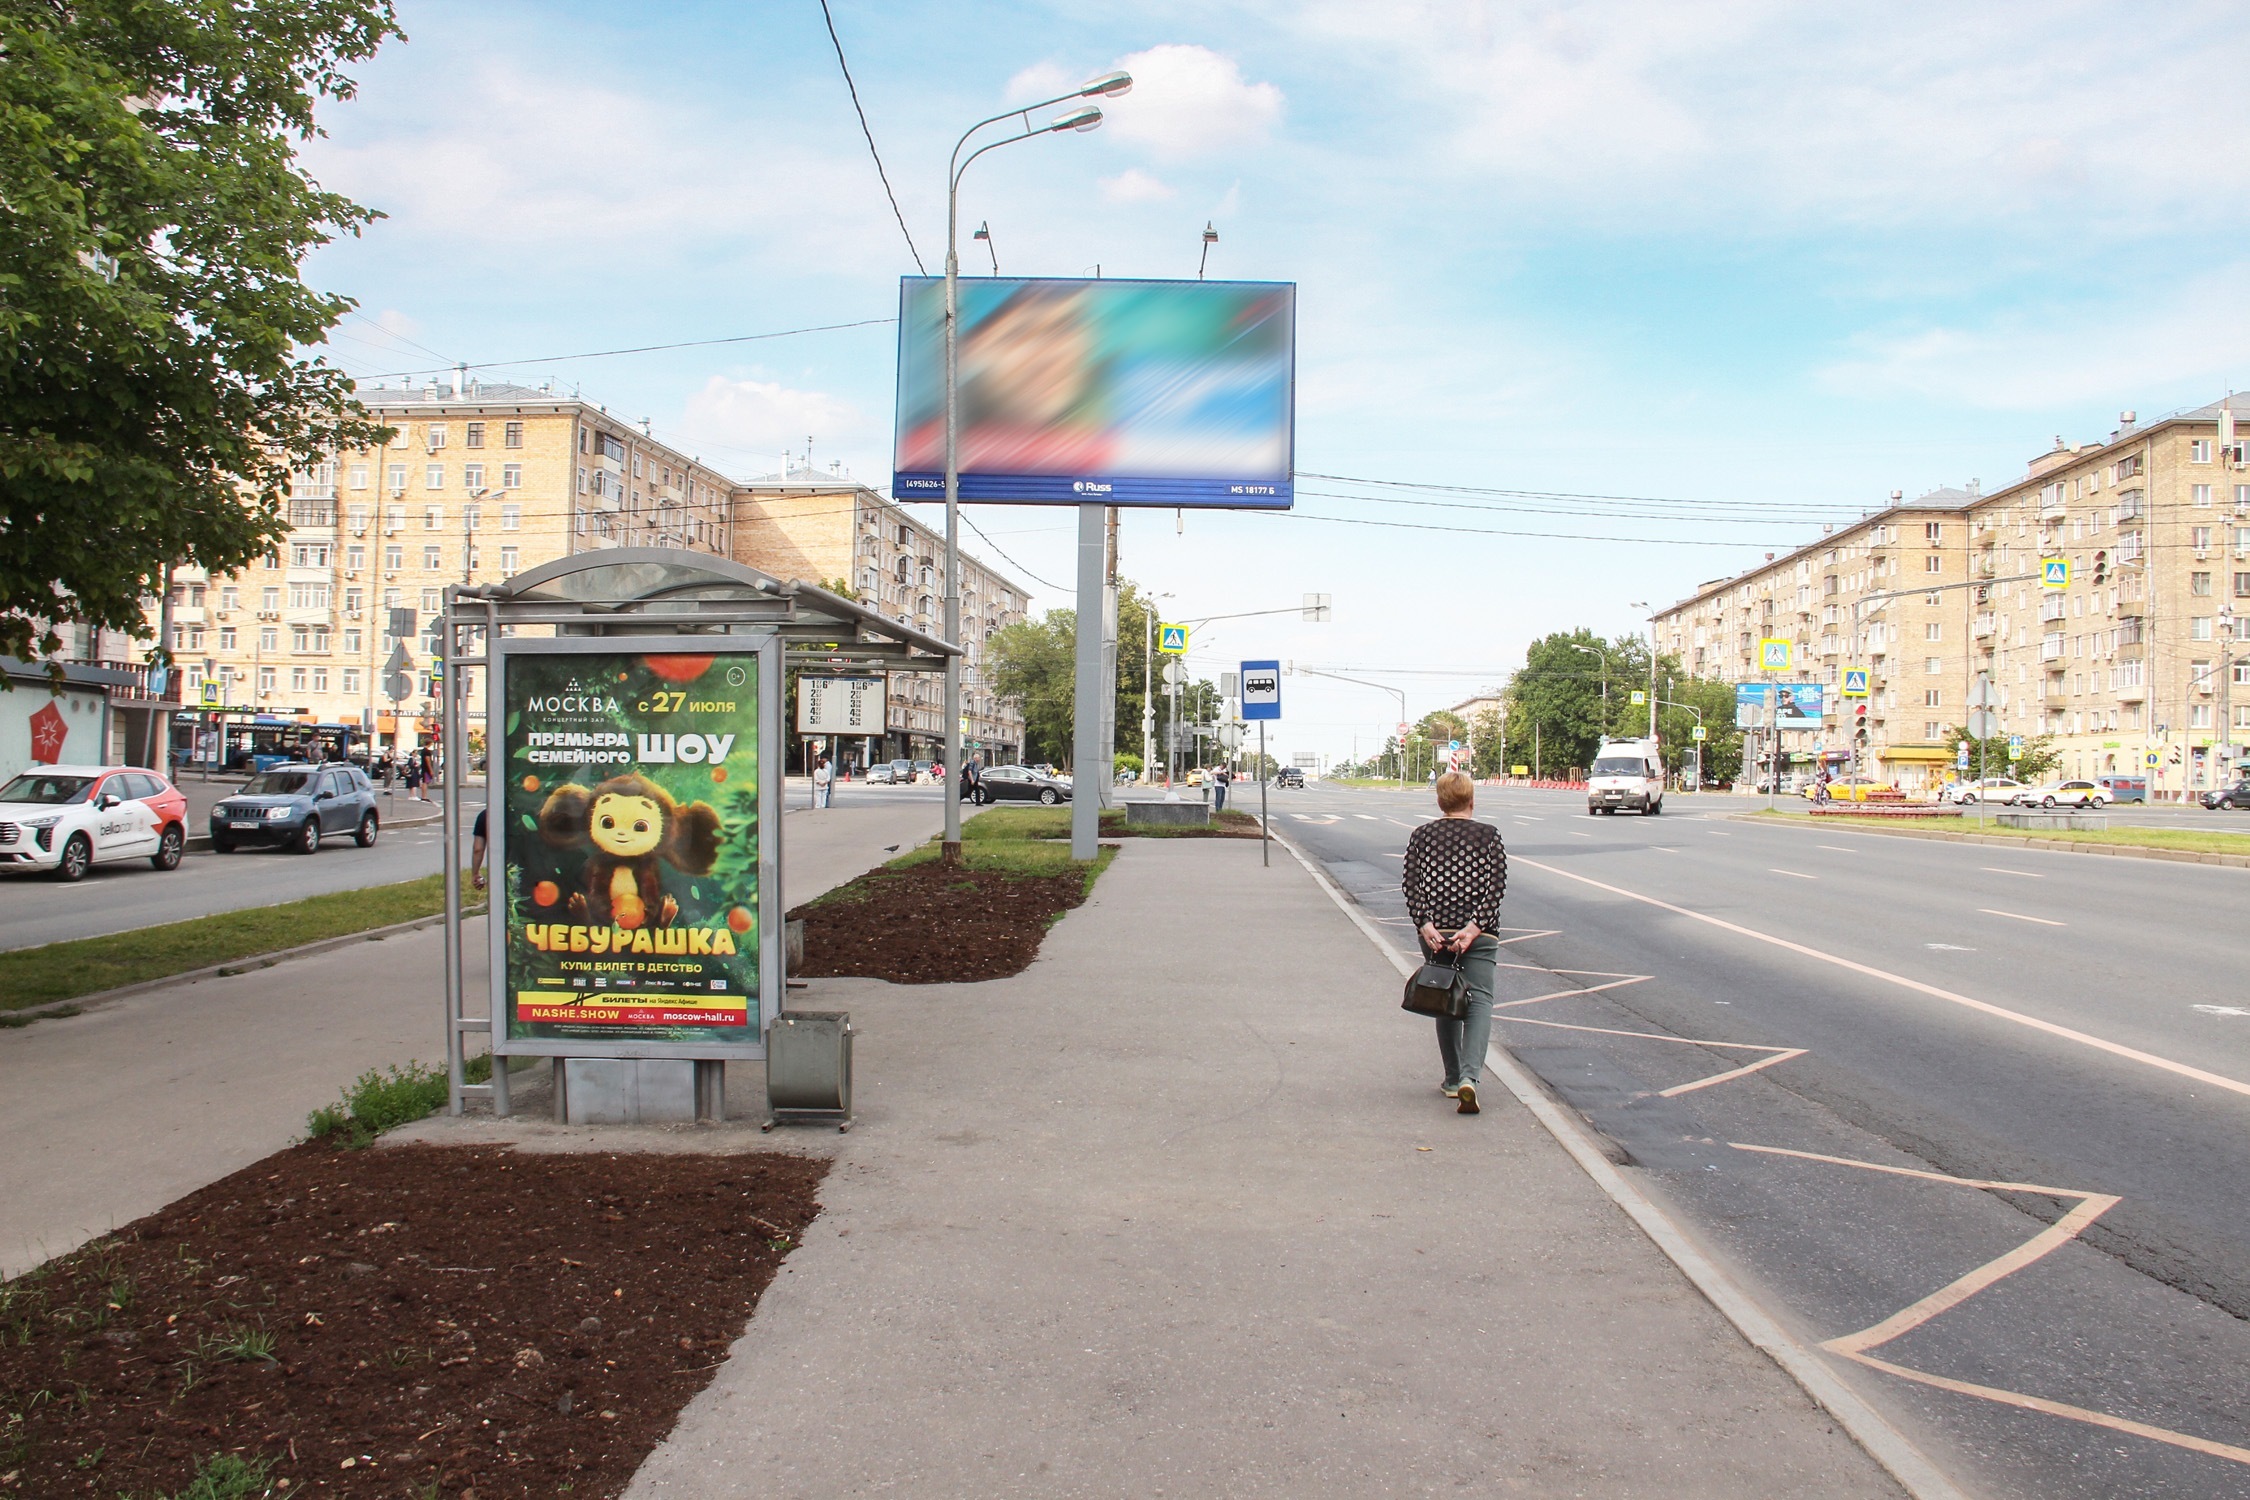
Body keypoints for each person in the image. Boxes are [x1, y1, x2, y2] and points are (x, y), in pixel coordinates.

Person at [1400, 769, 1507, 1115]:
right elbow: (1496, 888)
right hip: (1480, 933)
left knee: (1444, 996)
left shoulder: (1421, 836)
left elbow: (1411, 885)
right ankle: (1469, 1078)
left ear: (1440, 801)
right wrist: (1474, 928)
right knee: (1481, 1001)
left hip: (1437, 934)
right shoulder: (1489, 836)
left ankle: (1451, 1079)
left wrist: (1425, 925)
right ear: (1472, 801)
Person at [469, 806, 488, 891]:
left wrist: (475, 874)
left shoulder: (485, 815)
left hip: (500, 869)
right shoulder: (524, 813)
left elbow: (478, 849)